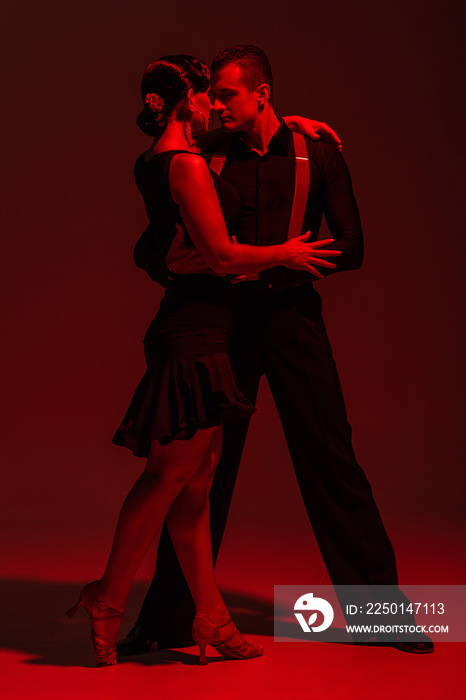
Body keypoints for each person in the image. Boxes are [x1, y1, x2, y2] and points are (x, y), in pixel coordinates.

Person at [119, 45, 434, 655]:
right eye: (212, 95)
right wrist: (179, 261)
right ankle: (163, 623)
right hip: (222, 326)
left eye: (228, 95)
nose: (214, 104)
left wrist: (287, 264)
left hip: (293, 322)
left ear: (261, 94)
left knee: (333, 465)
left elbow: (352, 245)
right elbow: (152, 245)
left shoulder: (317, 153)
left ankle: (385, 620)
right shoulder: (203, 157)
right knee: (197, 480)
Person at [66, 54, 341, 667]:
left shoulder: (157, 159)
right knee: (166, 479)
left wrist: (284, 124)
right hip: (193, 332)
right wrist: (286, 252)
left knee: (197, 486)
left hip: (203, 329)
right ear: (187, 98)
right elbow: (219, 255)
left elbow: (174, 232)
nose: (213, 105)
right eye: (205, 96)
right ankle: (106, 595)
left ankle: (210, 614)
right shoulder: (189, 165)